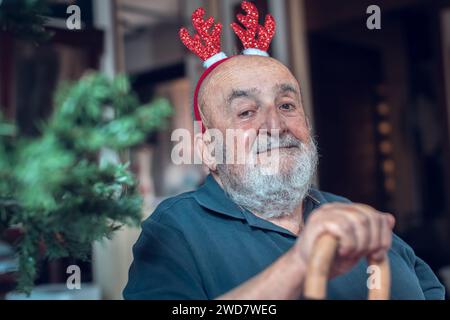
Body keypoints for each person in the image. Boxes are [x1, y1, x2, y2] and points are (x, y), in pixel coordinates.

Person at [123, 2, 445, 300]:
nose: (276, 125)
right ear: (209, 150)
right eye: (246, 111)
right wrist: (299, 264)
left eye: (287, 105)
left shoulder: (348, 212)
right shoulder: (175, 231)